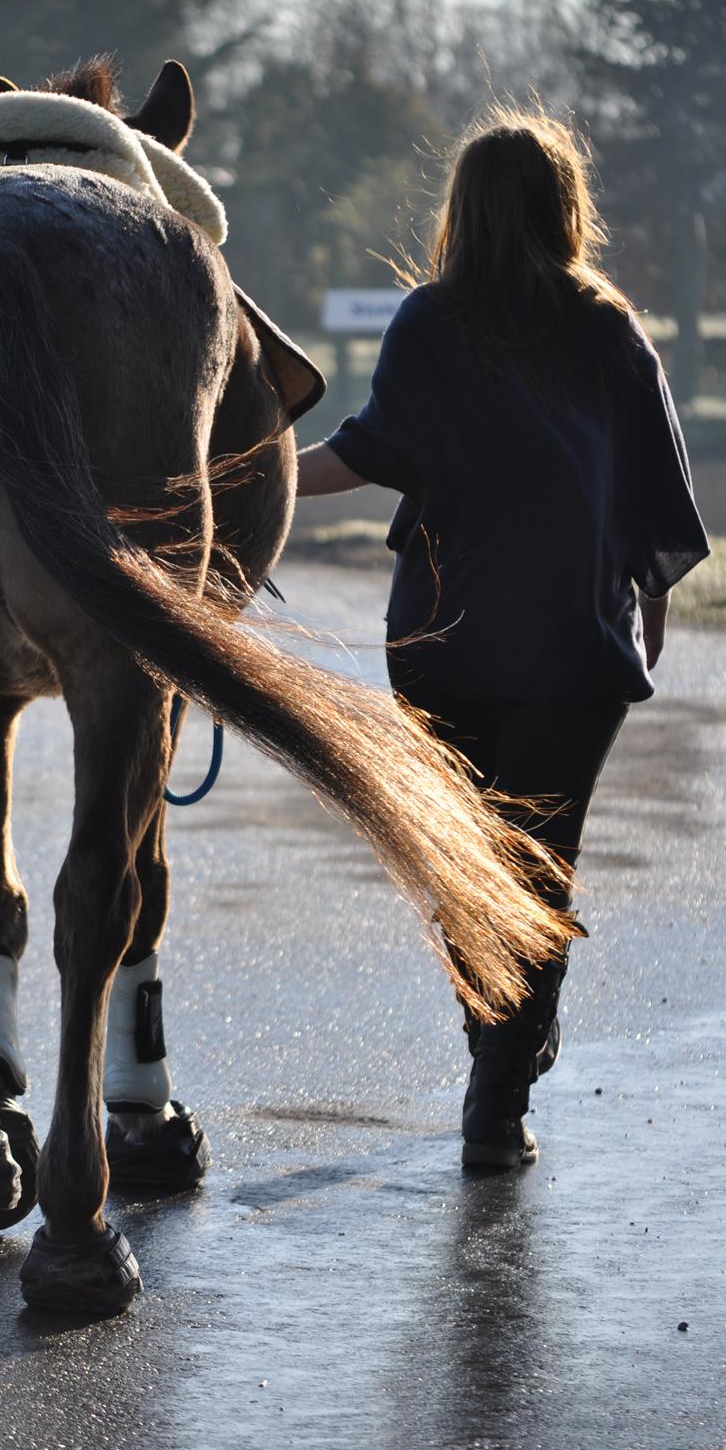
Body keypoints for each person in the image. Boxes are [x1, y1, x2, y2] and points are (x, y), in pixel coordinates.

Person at [296, 107, 709, 1168]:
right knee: (537, 863)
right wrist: (645, 616)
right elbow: (658, 495)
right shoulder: (607, 328)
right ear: (561, 207)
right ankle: (500, 1086)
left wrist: (251, 482)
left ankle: (498, 1052)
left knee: (468, 863)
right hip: (572, 646)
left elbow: (365, 450)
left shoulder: (429, 325)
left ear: (462, 214)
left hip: (444, 641)